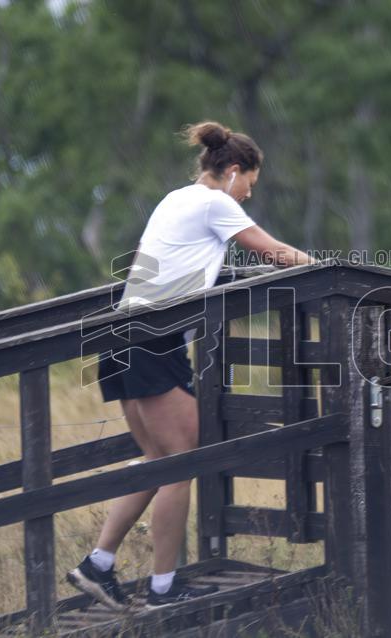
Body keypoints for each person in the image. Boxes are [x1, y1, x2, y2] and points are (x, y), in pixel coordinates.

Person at [66, 121, 315, 609]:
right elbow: (270, 250)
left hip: (122, 337)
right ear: (233, 171)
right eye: (249, 186)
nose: (246, 196)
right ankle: (163, 589)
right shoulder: (215, 202)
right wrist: (326, 266)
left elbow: (165, 261)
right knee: (183, 462)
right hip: (153, 340)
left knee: (160, 462)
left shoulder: (175, 199)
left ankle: (98, 564)